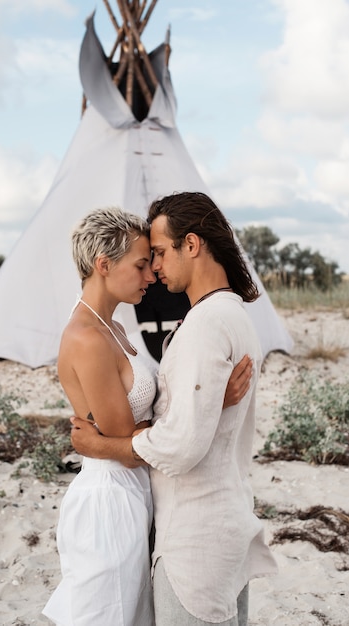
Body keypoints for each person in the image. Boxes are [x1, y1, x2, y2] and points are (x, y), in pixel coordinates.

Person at [71, 192, 278, 626]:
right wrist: (205, 405)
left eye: (160, 253)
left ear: (192, 244)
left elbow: (182, 445)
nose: (156, 268)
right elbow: (191, 423)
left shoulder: (205, 326)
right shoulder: (232, 314)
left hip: (195, 540)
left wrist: (97, 446)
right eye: (147, 260)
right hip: (222, 520)